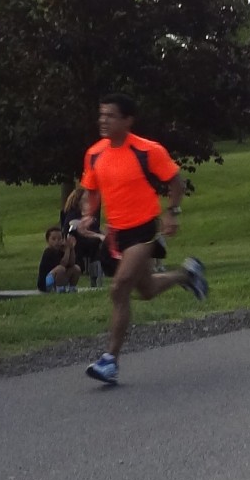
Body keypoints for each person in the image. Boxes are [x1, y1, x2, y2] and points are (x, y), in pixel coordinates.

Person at [77, 92, 208, 384]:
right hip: (116, 231)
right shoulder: (95, 153)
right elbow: (92, 189)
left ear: (127, 120)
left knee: (119, 287)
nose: (103, 120)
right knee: (146, 290)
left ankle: (110, 361)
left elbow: (176, 181)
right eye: (101, 115)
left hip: (143, 228)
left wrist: (172, 213)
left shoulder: (148, 151)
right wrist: (89, 213)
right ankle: (187, 275)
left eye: (110, 115)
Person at [37, 226, 81, 293]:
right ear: (47, 240)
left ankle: (72, 288)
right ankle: (59, 289)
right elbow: (63, 264)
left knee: (76, 268)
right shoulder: (48, 251)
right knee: (60, 269)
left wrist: (71, 249)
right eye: (53, 239)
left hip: (59, 278)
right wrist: (67, 250)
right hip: (45, 283)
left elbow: (72, 263)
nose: (57, 241)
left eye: (60, 239)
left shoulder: (62, 249)